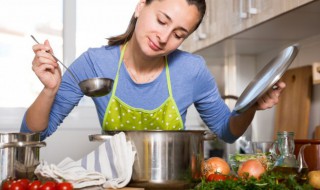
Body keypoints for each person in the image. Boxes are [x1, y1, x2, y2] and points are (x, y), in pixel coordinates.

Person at [21, 0, 285, 142]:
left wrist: (250, 105)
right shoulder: (94, 63)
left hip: (174, 182)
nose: (163, 37)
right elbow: (35, 134)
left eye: (178, 34)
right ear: (140, 6)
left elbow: (227, 132)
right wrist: (49, 89)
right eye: (161, 20)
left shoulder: (192, 70)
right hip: (114, 184)